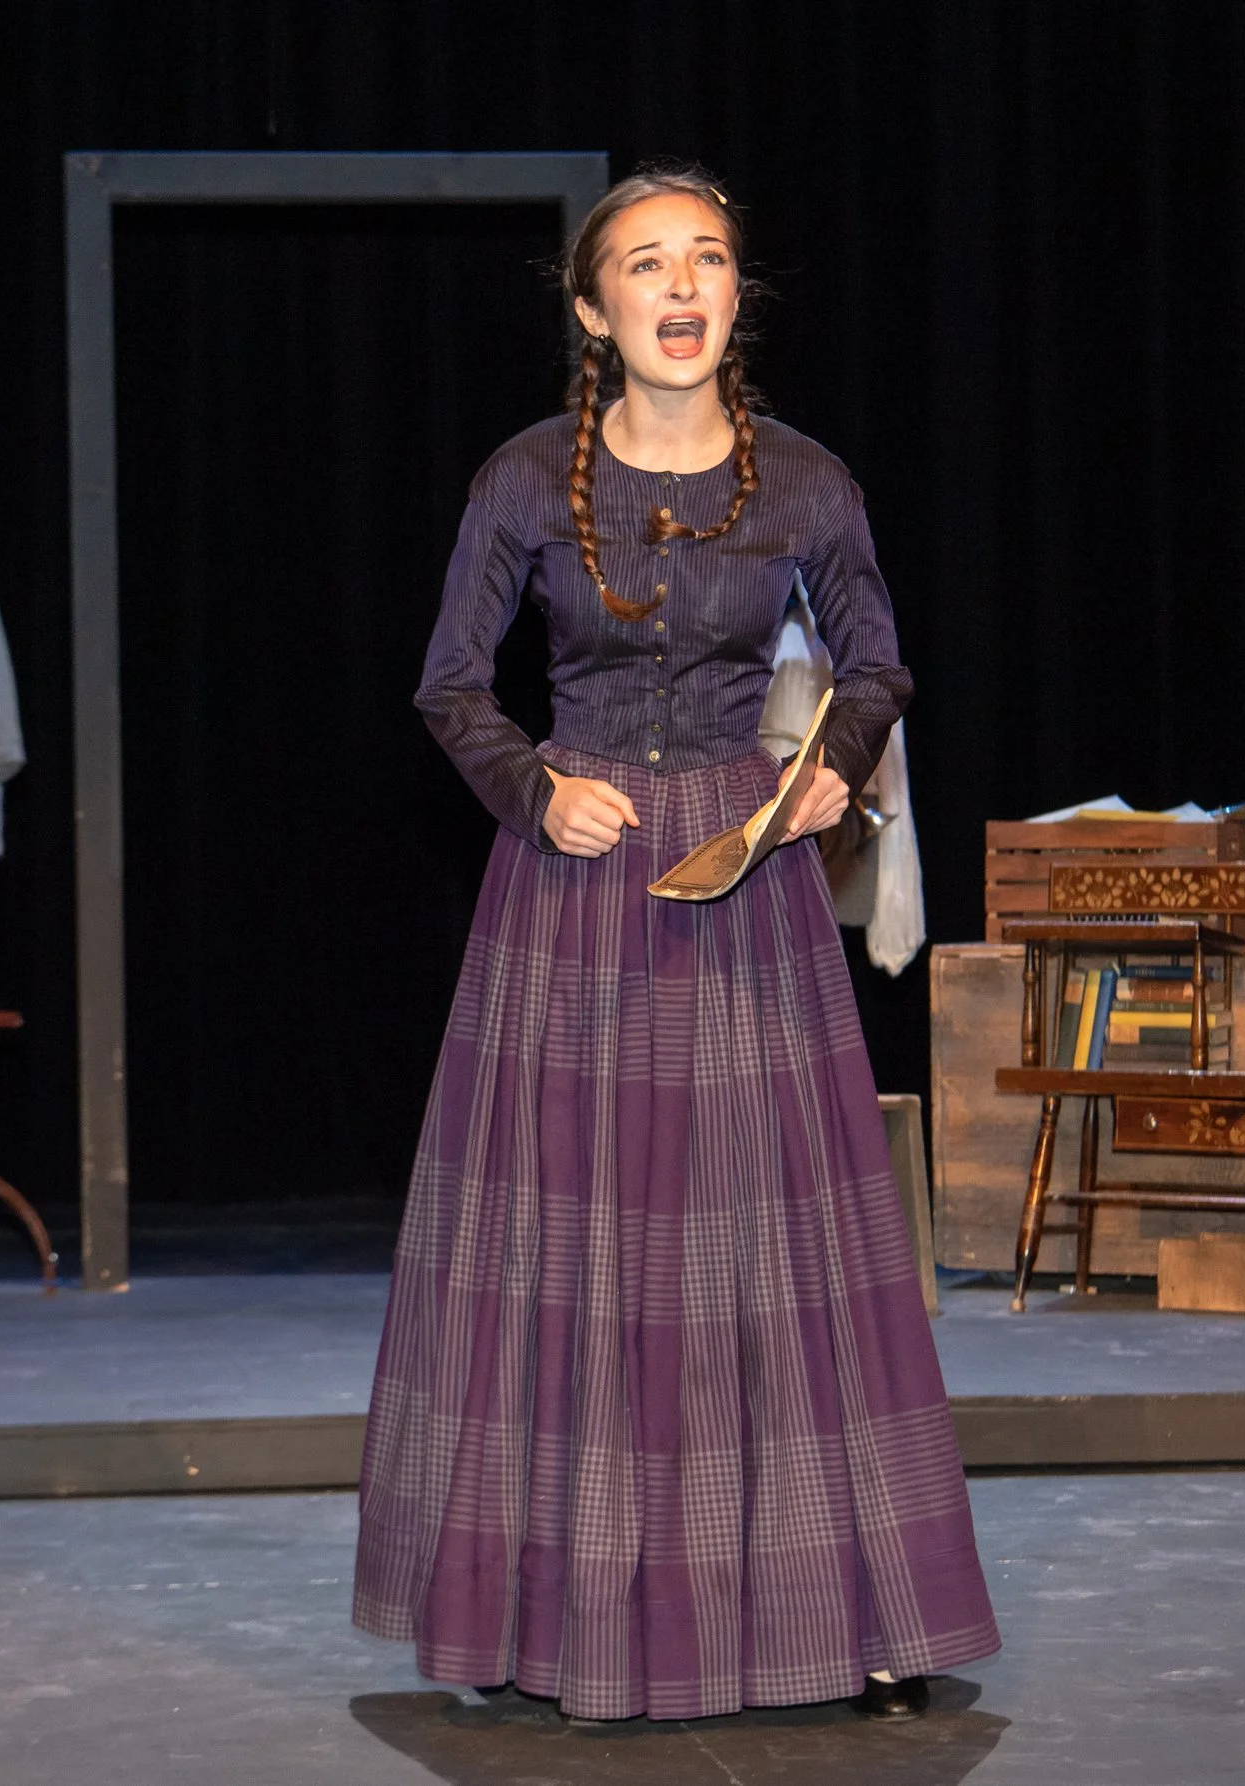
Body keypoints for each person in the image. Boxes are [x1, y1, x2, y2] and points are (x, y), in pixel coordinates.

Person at [354, 165, 999, 1725]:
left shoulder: (806, 482)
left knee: (772, 1240)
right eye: (646, 263)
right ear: (596, 311)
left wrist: (831, 764)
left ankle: (856, 1611)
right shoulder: (522, 480)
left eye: (706, 257)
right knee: (565, 1249)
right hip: (574, 882)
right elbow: (451, 684)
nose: (682, 284)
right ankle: (532, 1610)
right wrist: (532, 788)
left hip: (743, 863)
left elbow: (879, 660)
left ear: (733, 297)